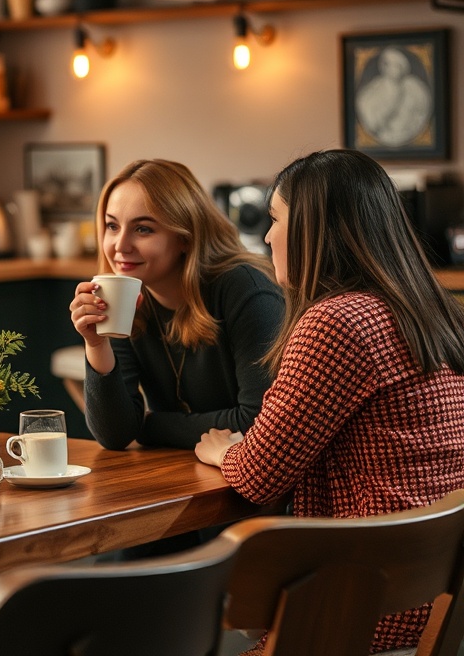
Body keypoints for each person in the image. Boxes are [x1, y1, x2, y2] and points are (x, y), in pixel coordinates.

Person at [196, 149, 464, 655]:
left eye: (277, 220)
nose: (269, 236)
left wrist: (223, 450)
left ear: (318, 229)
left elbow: (258, 476)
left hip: (362, 607)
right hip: (430, 595)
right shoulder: (431, 310)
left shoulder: (338, 323)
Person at [69, 159, 284, 451]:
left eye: (143, 229)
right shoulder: (123, 297)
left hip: (253, 482)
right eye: (111, 226)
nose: (120, 245)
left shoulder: (245, 289)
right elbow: (116, 435)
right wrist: (96, 344)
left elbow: (259, 422)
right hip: (184, 473)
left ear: (185, 237)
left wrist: (149, 425)